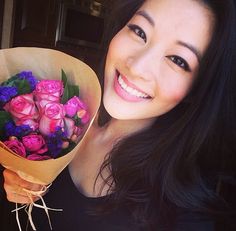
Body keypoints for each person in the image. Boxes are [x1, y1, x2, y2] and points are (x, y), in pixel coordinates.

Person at [0, 0, 236, 230]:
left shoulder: (182, 210)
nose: (137, 66)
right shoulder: (58, 120)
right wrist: (15, 185)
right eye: (139, 31)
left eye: (177, 60)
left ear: (197, 88)